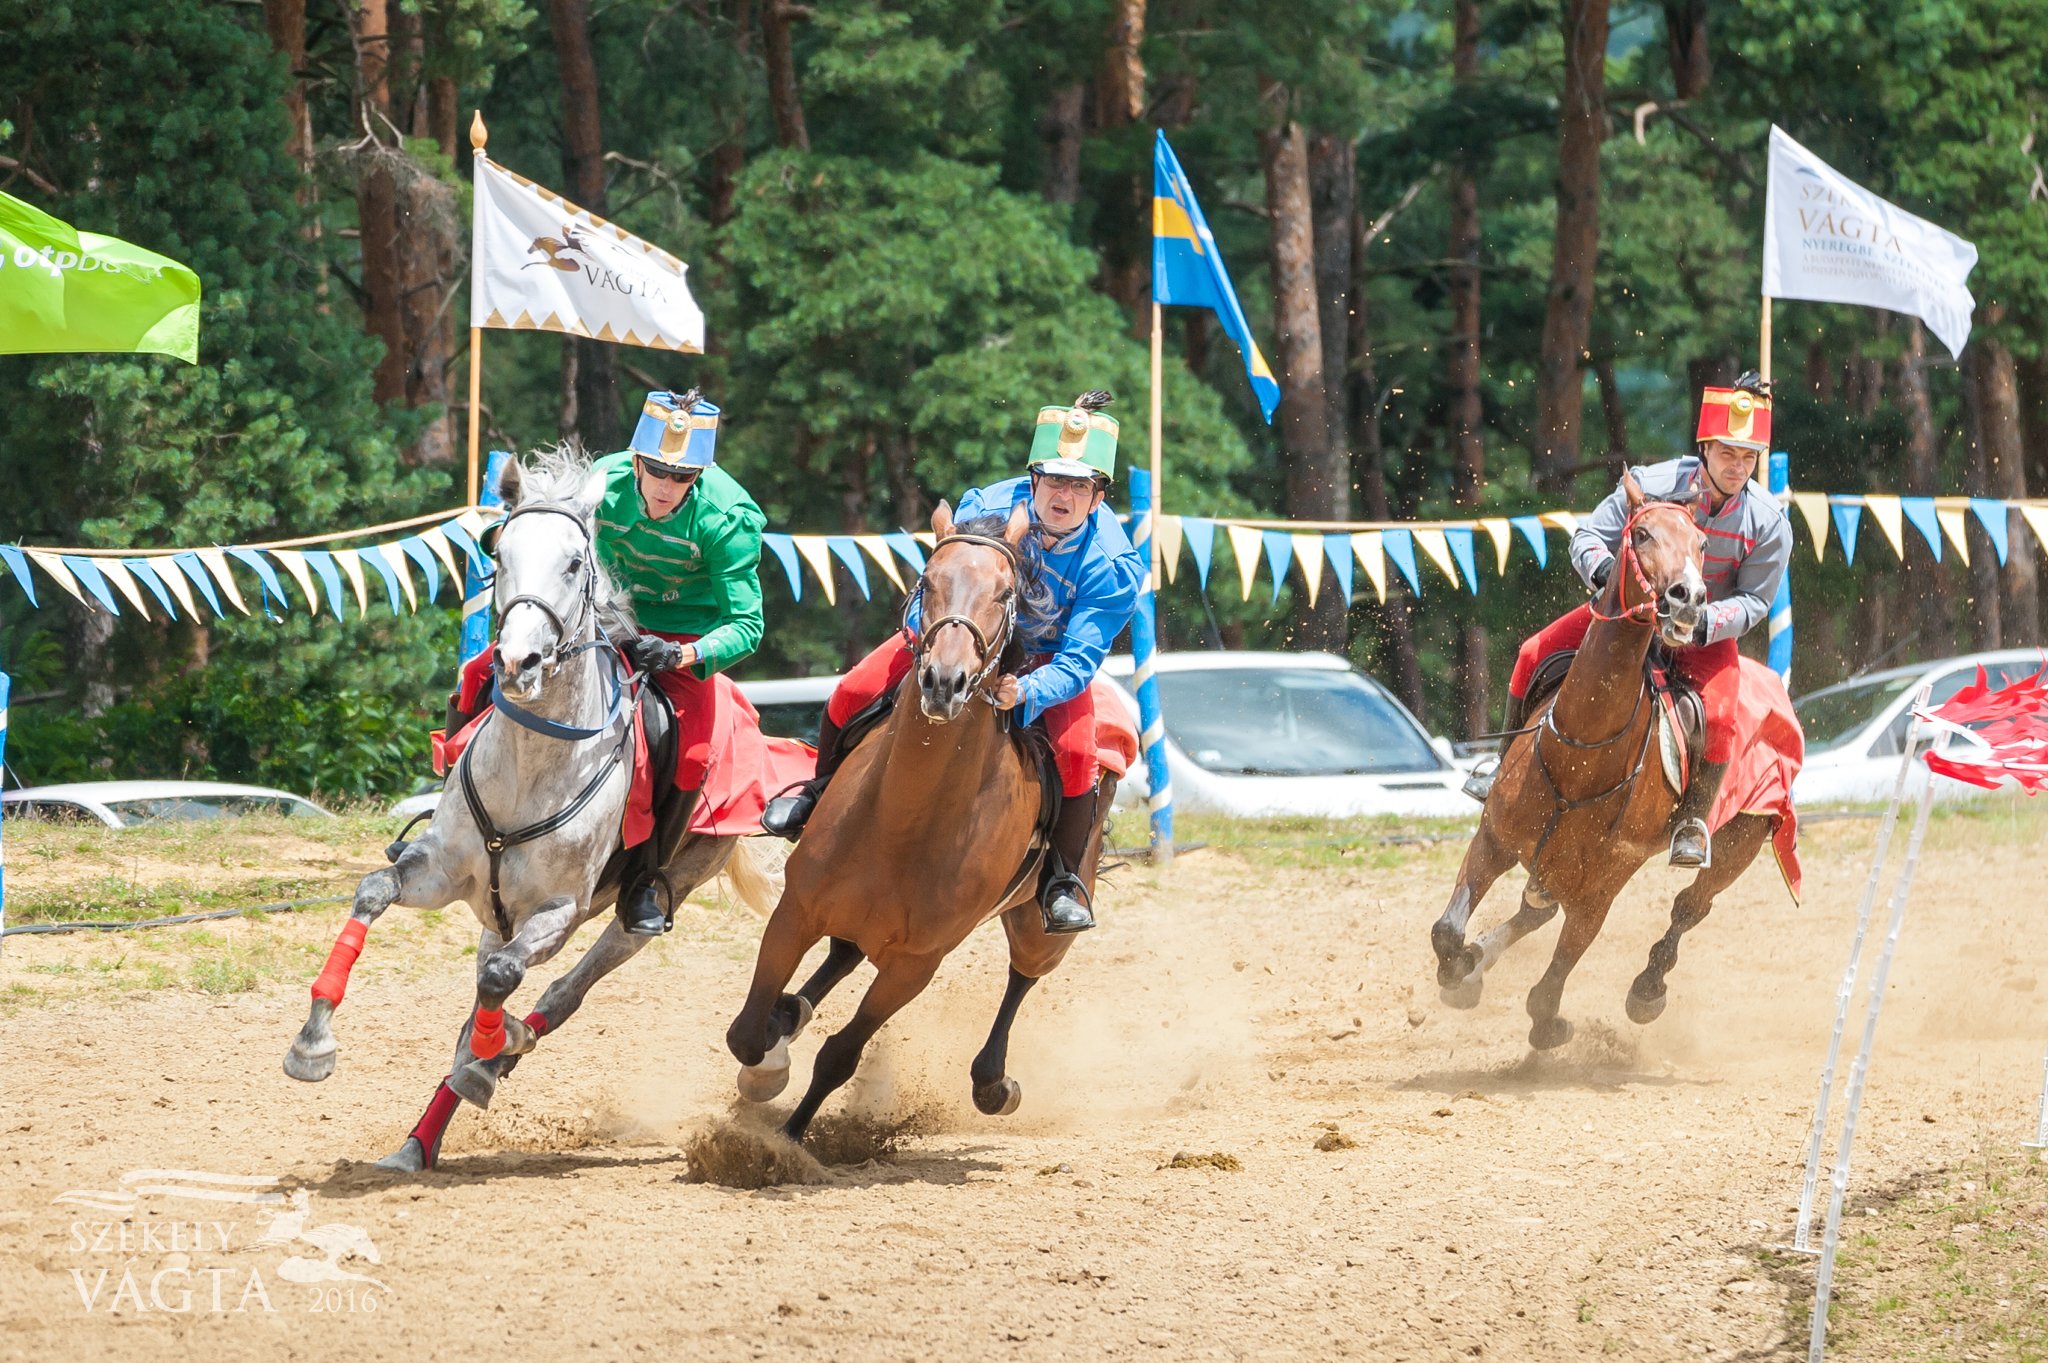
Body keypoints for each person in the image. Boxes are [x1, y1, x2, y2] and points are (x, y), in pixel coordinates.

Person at [761, 390, 1144, 934]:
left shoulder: (1113, 565)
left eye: (1079, 485)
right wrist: (927, 635)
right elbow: (933, 586)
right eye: (1054, 479)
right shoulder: (983, 507)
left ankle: (1062, 879)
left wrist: (1029, 693)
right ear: (1033, 479)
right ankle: (816, 795)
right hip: (954, 636)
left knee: (1079, 751)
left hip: (1041, 660)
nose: (1063, 494)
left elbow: (1081, 658)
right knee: (851, 690)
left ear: (1099, 496)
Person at [450, 389, 766, 935]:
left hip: (683, 640)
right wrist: (504, 536)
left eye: (684, 476)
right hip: (600, 615)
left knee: (692, 756)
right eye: (657, 470)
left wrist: (684, 653)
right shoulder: (604, 481)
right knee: (477, 673)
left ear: (700, 475)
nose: (668, 487)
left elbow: (749, 626)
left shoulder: (728, 519)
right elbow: (550, 531)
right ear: (636, 460)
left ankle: (645, 879)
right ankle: (449, 813)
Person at [1463, 371, 1792, 868]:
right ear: (1704, 448)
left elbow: (1754, 602)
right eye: (1727, 453)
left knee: (1724, 714)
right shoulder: (1652, 483)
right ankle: (1502, 765)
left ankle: (1692, 824)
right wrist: (1612, 583)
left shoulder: (1769, 524)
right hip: (1629, 613)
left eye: (1748, 458)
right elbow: (1586, 538)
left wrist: (1704, 622)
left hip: (1700, 631)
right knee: (1533, 652)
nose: (1737, 467)